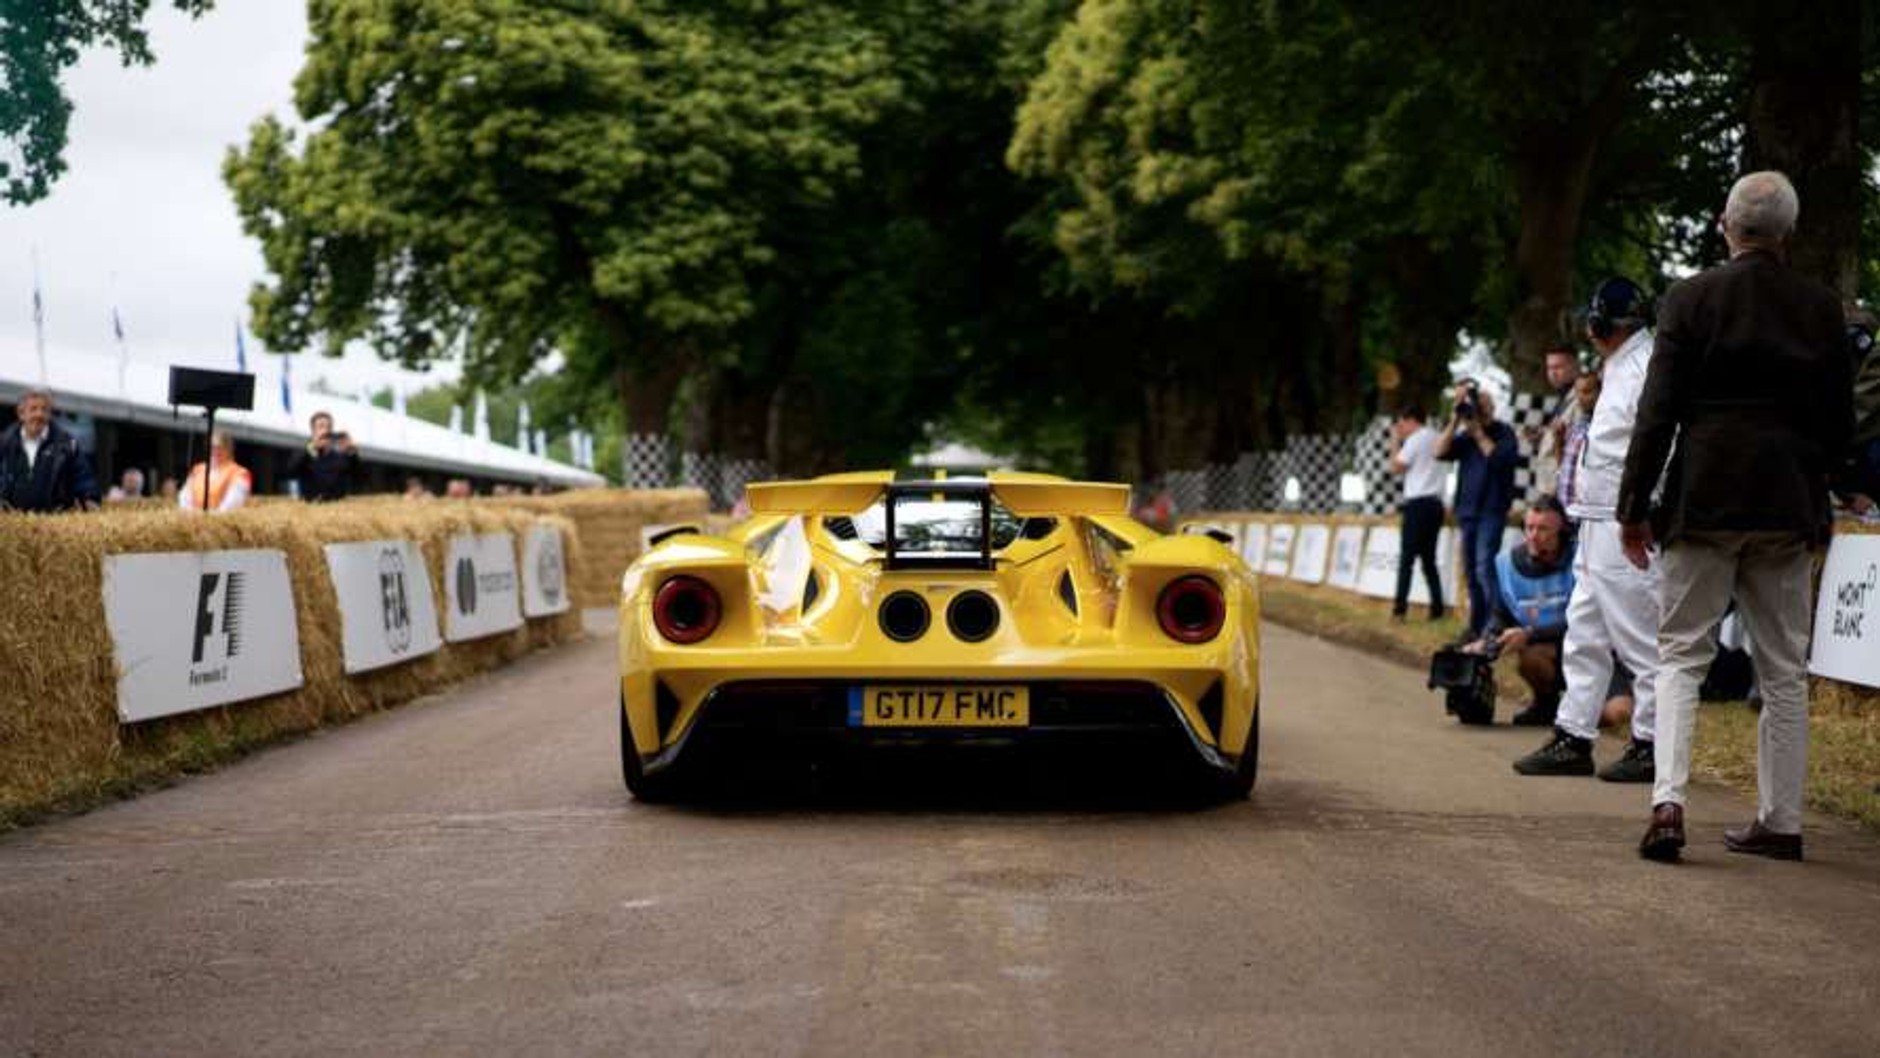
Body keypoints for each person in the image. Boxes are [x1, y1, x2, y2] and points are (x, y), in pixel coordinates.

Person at [1618, 171, 1854, 863]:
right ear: (1789, 233)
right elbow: (1840, 422)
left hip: (1705, 496)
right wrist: (1825, 485)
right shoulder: (1821, 308)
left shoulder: (1690, 298)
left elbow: (1656, 414)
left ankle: (1668, 802)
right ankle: (1781, 820)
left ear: (1726, 225)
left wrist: (1632, 507)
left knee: (1681, 656)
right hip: (1785, 501)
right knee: (1783, 669)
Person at [1514, 277, 1662, 783]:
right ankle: (1574, 735)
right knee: (1585, 634)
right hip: (1595, 517)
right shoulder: (1618, 367)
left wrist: (1641, 510)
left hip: (1624, 520)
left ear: (1602, 324)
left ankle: (1651, 743)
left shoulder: (1643, 368)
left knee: (1639, 638)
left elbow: (1657, 444)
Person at [1467, 495, 1575, 726]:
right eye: (1529, 528)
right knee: (1529, 657)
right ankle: (1546, 706)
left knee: (1614, 713)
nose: (1534, 536)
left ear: (1562, 532)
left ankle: (1577, 710)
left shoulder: (1580, 561)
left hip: (1586, 651)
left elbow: (1586, 622)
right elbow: (1500, 614)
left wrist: (1529, 635)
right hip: (1543, 649)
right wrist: (1487, 642)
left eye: (1543, 529)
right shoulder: (1507, 563)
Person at [1435, 380, 1520, 638]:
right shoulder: (1465, 436)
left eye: (1483, 406)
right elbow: (1438, 451)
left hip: (1492, 510)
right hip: (1467, 511)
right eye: (1476, 406)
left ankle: (1494, 626)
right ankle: (1476, 627)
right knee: (1471, 572)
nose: (1479, 411)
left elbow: (1500, 460)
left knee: (1485, 568)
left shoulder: (1504, 432)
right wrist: (1455, 419)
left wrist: (1479, 433)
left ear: (1491, 408)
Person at [1388, 406, 1447, 621]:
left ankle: (1399, 610)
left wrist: (1395, 441)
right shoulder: (1438, 437)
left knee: (1407, 560)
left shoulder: (1415, 439)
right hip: (1436, 504)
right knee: (1429, 560)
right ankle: (1437, 608)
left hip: (1418, 504)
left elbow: (1396, 467)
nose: (1400, 428)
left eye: (1402, 423)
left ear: (1412, 420)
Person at [0, 389, 101, 512]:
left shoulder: (67, 444)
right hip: (12, 519)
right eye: (33, 409)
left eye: (44, 410)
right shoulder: (4, 443)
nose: (39, 414)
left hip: (56, 519)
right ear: (21, 414)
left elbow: (83, 477)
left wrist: (90, 498)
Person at [1526, 345, 1583, 497]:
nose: (1553, 373)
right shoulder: (1563, 398)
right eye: (1549, 368)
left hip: (1567, 486)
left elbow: (1578, 443)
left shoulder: (1582, 397)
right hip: (1551, 485)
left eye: (1558, 367)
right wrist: (1544, 436)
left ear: (1575, 366)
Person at [1554, 370, 1601, 516]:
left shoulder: (1602, 428)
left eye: (1586, 392)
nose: (1580, 398)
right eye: (1577, 393)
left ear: (1601, 393)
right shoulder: (1579, 424)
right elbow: (1564, 468)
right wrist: (1558, 441)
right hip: (1565, 511)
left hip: (1585, 513)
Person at [286, 410, 359, 501]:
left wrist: (352, 453)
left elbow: (358, 479)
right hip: (310, 507)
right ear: (313, 431)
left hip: (338, 507)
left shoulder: (340, 457)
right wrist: (311, 448)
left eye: (329, 427)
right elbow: (291, 473)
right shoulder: (303, 453)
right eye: (321, 426)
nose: (326, 431)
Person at [179, 429, 253, 513]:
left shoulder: (240, 473)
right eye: (211, 447)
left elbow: (232, 505)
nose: (215, 451)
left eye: (219, 447)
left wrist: (208, 517)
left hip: (220, 519)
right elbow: (184, 497)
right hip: (193, 518)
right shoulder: (197, 470)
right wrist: (191, 514)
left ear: (229, 449)